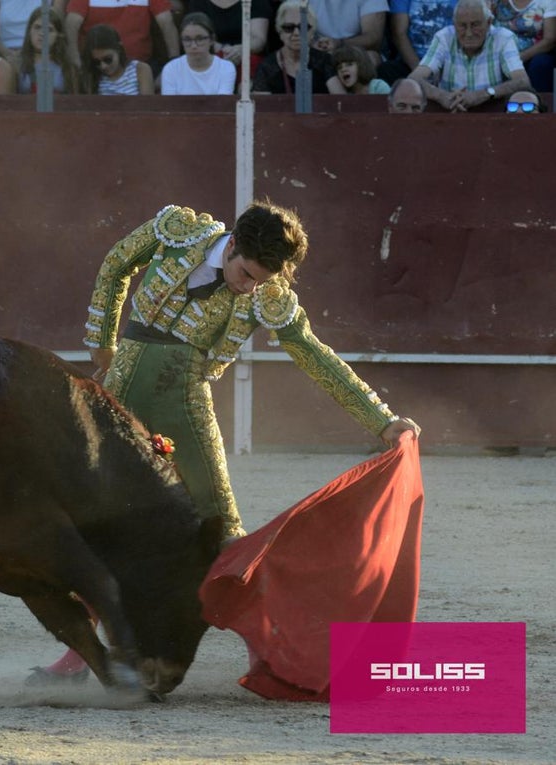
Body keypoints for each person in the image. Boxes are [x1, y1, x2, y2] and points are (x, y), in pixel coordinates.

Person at [31, 200, 421, 685]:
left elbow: (314, 356)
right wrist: (102, 344)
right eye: (246, 273)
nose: (250, 286)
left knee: (224, 537)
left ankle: (278, 657)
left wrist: (381, 420)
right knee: (100, 530)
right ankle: (76, 663)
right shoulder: (178, 231)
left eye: (259, 280)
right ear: (232, 244)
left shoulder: (267, 295)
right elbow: (115, 264)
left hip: (183, 410)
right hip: (116, 400)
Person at [410, 0, 530, 112]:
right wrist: (442, 96)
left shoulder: (503, 38)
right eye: (462, 26)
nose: (469, 33)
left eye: (475, 25)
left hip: (492, 116)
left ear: (488, 22)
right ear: (454, 24)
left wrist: (484, 94)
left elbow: (522, 81)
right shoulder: (444, 37)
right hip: (449, 115)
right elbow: (414, 79)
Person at [252, 0, 345, 95]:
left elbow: (340, 101)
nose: (296, 33)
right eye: (288, 28)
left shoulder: (324, 61)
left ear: (312, 32)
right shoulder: (267, 67)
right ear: (280, 33)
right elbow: (262, 107)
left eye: (303, 27)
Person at [64, 0, 180, 71]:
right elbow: (71, 23)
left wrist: (174, 66)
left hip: (139, 67)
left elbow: (167, 24)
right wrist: (75, 59)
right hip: (97, 67)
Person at [186, 0, 271, 82]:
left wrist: (241, 49)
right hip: (213, 54)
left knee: (250, 66)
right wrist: (225, 50)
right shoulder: (198, 2)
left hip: (248, 53)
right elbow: (198, 36)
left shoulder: (256, 1)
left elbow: (259, 39)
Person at [487, 0, 556, 95]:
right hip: (499, 52)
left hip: (532, 55)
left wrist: (516, 59)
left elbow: (550, 40)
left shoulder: (547, 2)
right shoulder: (496, 2)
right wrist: (488, 12)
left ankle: (537, 104)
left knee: (541, 64)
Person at [159, 11, 236, 95]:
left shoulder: (225, 68)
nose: (193, 46)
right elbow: (169, 105)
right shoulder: (171, 69)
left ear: (212, 40)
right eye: (187, 39)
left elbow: (222, 104)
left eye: (200, 39)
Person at [380, 0, 457, 83]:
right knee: (385, 70)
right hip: (411, 62)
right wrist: (421, 71)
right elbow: (399, 34)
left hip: (451, 62)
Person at [15, 5, 77, 94]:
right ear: (29, 31)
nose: (42, 33)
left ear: (58, 35)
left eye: (49, 29)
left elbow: (75, 103)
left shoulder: (69, 68)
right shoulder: (16, 64)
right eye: (37, 27)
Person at [80, 22, 153, 94]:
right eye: (96, 62)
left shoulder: (140, 69)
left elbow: (147, 104)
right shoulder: (92, 77)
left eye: (108, 59)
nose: (103, 66)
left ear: (119, 49)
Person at [305, 0, 388, 62]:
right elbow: (295, 27)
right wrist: (313, 44)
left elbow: (374, 39)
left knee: (372, 58)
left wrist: (339, 44)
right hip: (315, 50)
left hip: (355, 51)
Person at [0, 0, 50, 67]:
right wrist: (9, 56)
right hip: (5, 54)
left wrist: (30, 53)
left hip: (40, 51)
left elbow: (55, 28)